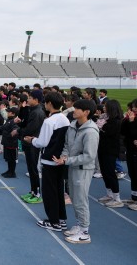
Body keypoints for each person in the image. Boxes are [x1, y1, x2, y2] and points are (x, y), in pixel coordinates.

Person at [53, 99, 99, 244]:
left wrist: (67, 160)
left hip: (83, 169)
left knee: (80, 199)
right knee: (74, 197)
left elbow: (89, 156)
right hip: (72, 166)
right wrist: (64, 156)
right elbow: (67, 144)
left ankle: (84, 232)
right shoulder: (73, 126)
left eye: (78, 109)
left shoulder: (91, 132)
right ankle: (80, 225)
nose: (74, 111)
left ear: (86, 112)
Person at [26, 92, 70, 232]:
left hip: (50, 160)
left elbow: (42, 142)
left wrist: (31, 140)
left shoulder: (49, 121)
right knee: (58, 190)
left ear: (50, 103)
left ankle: (53, 222)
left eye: (46, 102)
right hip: (60, 160)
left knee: (50, 192)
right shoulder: (64, 119)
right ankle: (61, 220)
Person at [13, 89, 45, 204]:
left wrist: (18, 131)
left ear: (36, 100)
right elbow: (26, 123)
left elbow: (30, 128)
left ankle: (37, 193)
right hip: (28, 142)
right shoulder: (32, 110)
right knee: (31, 169)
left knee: (33, 169)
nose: (28, 100)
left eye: (30, 98)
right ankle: (32, 191)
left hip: (32, 143)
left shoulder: (37, 112)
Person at [97, 100, 124, 208]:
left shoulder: (116, 121)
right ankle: (109, 194)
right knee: (104, 172)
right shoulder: (105, 118)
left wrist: (101, 127)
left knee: (110, 173)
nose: (104, 108)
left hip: (110, 150)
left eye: (106, 106)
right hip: (102, 148)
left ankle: (117, 198)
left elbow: (107, 132)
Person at [0, 106, 19, 178]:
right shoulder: (9, 120)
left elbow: (15, 130)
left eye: (9, 112)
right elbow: (3, 127)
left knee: (12, 159)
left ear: (13, 114)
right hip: (7, 142)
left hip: (11, 143)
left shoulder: (14, 121)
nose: (7, 113)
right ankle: (9, 170)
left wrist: (9, 136)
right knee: (8, 158)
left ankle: (12, 172)